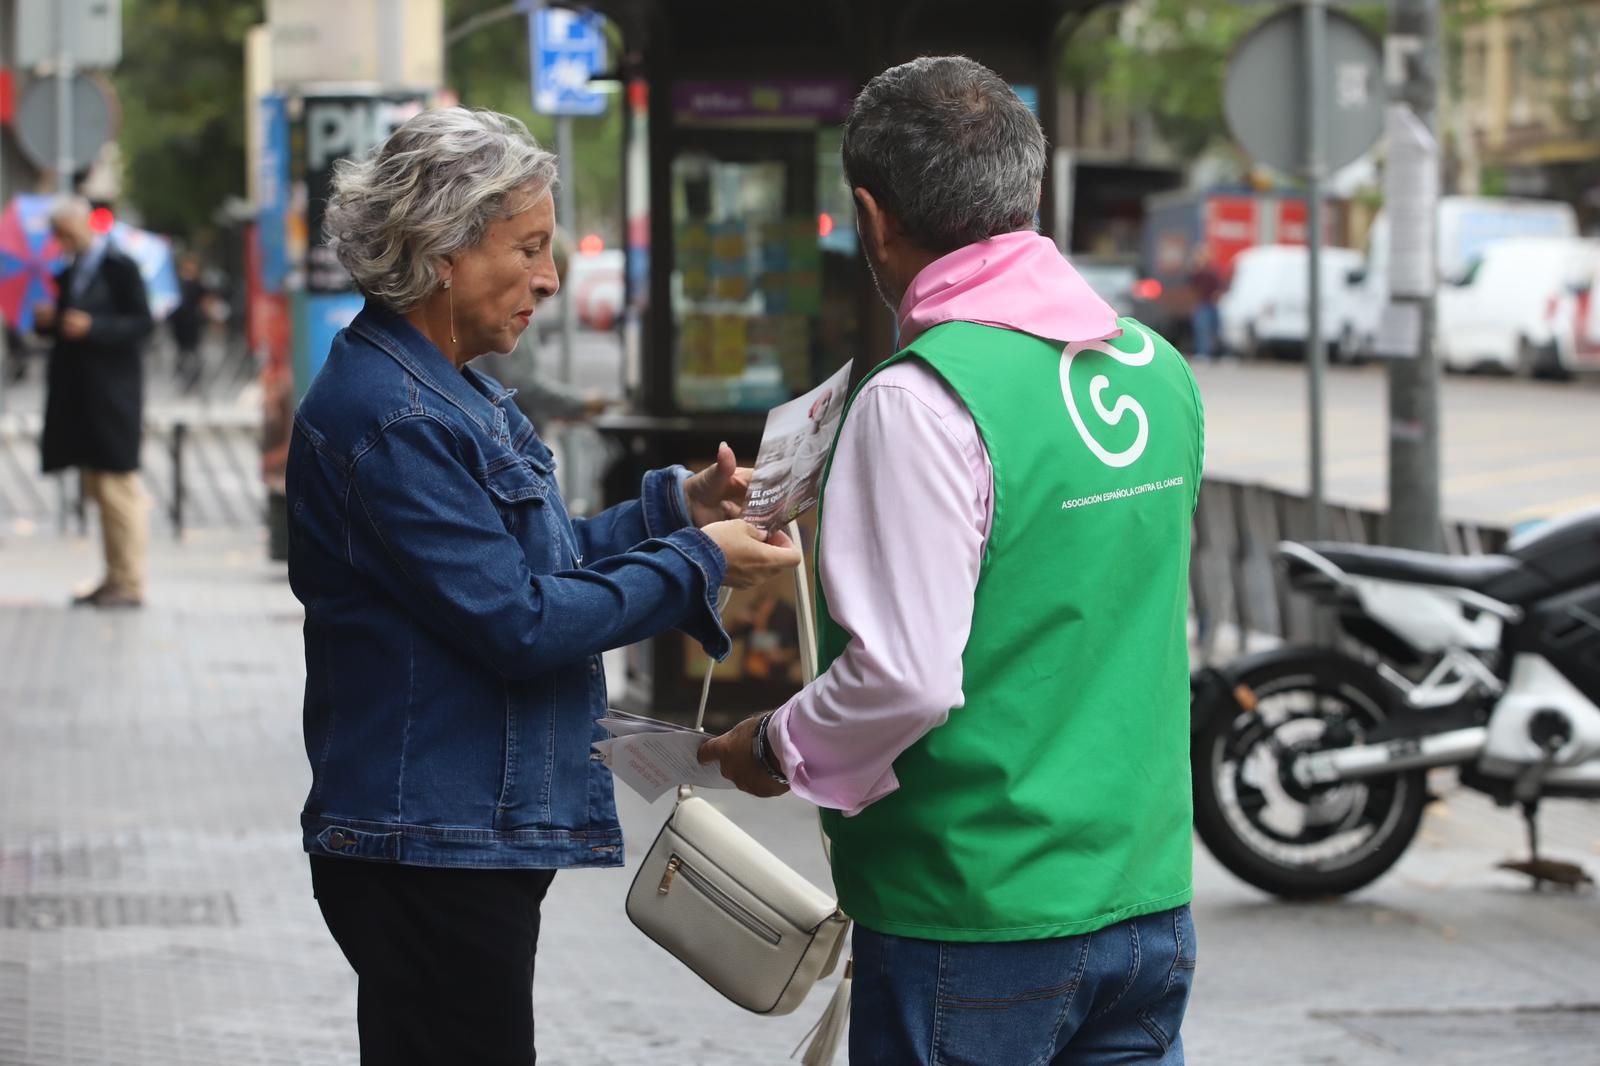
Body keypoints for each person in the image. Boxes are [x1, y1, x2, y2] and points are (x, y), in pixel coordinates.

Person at [701, 57, 1205, 1066]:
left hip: (971, 917)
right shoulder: (1157, 371)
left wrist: (770, 747)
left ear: (869, 215)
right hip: (1142, 904)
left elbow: (907, 678)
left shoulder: (920, 398)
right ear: (1026, 187)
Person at [286, 107, 801, 1065]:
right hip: (426, 842)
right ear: (442, 250)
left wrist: (676, 513)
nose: (551, 278)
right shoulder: (395, 416)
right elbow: (520, 620)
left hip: (449, 831)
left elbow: (530, 562)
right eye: (526, 248)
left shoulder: (441, 386)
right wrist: (703, 560)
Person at [36, 195, 155, 609]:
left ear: (85, 224)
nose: (62, 240)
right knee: (100, 491)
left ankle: (130, 580)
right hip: (81, 399)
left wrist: (94, 327)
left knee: (118, 487)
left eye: (66, 231)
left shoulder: (120, 267)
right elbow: (67, 329)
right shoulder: (69, 272)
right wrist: (51, 322)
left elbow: (141, 324)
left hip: (114, 397)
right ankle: (114, 576)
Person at [169, 254, 210, 394]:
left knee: (193, 354)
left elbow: (204, 302)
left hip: (192, 324)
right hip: (180, 325)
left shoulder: (196, 284)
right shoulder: (177, 284)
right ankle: (184, 381)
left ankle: (193, 382)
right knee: (182, 354)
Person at [1188, 246, 1223, 362]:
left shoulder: (1212, 271)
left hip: (1210, 304)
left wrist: (1216, 296)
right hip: (1202, 304)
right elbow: (1192, 283)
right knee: (1202, 330)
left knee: (1212, 330)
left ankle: (1214, 354)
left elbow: (1219, 286)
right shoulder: (1198, 271)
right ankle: (1203, 353)